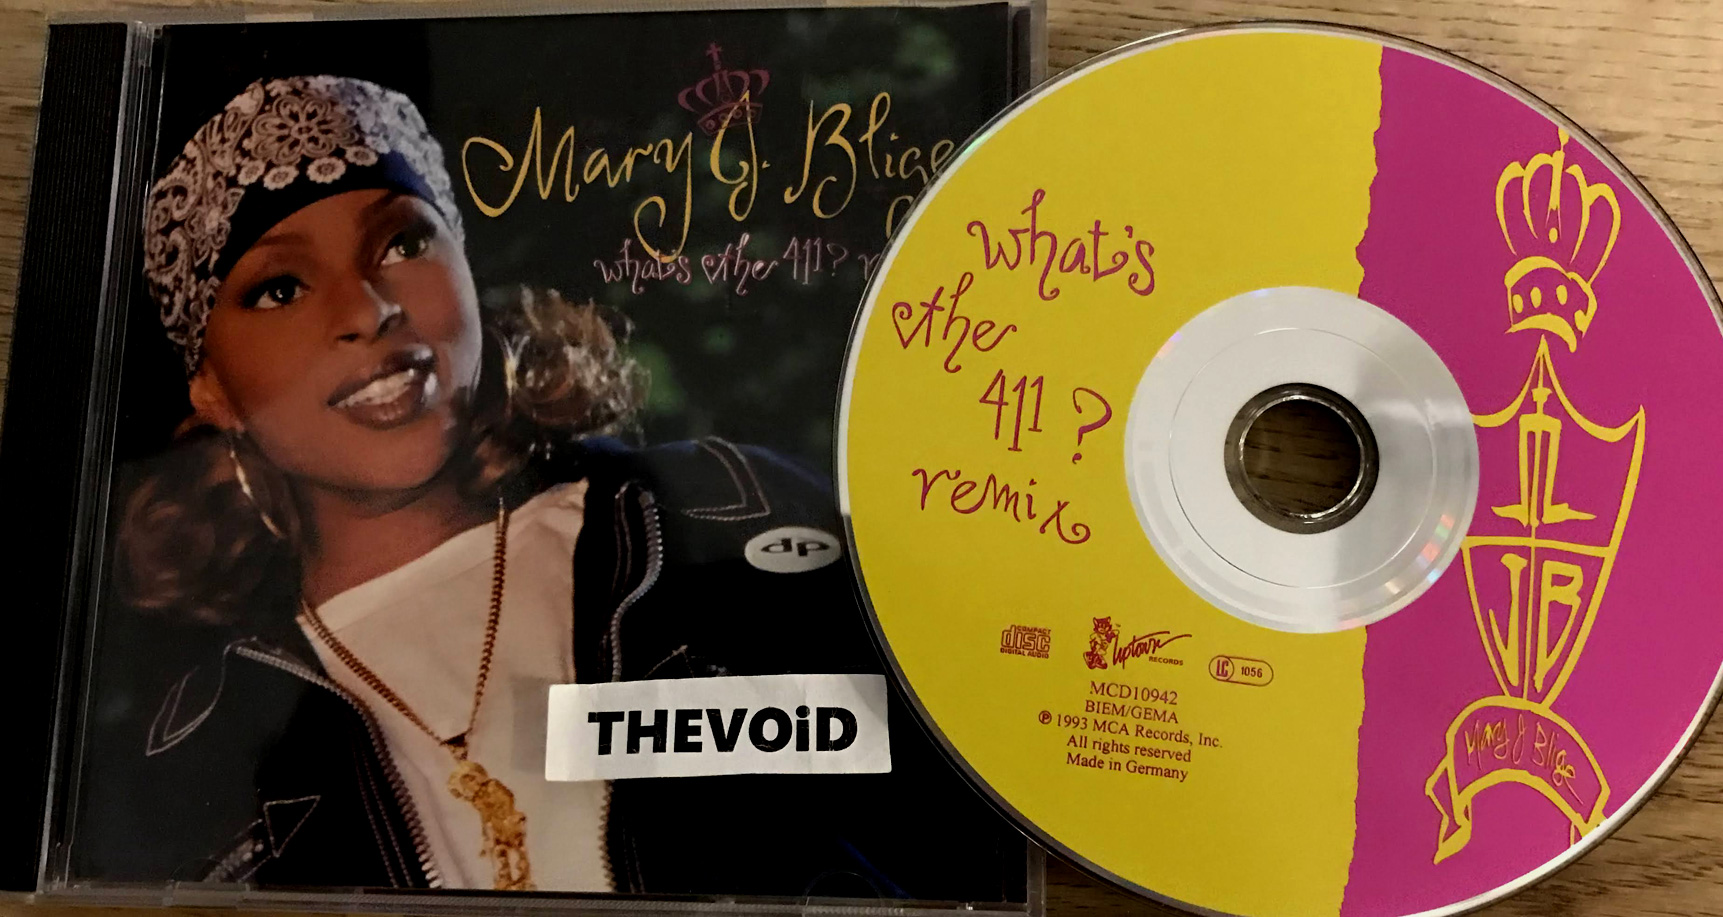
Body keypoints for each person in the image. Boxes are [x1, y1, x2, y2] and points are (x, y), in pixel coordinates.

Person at [71, 74, 1012, 901]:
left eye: (400, 242)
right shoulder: (182, 769)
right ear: (211, 388)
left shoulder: (732, 514)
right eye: (280, 288)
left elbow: (977, 804)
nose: (368, 308)